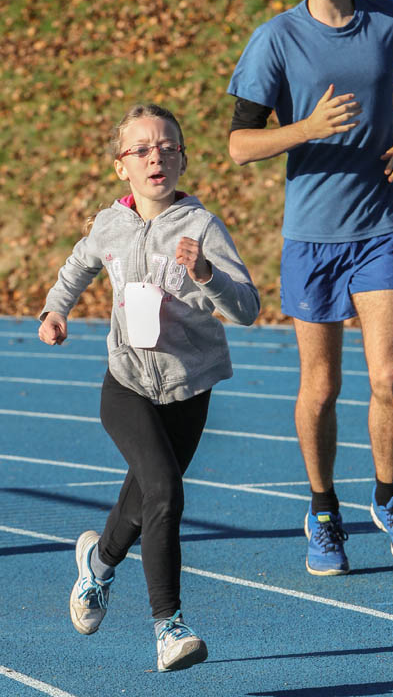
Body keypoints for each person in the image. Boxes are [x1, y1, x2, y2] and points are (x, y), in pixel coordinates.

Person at [227, 0, 393, 576]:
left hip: (383, 226)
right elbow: (239, 145)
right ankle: (323, 511)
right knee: (321, 388)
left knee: (388, 378)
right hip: (313, 237)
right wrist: (306, 129)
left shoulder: (391, 19)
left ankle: (388, 496)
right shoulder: (275, 39)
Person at [38, 103, 260, 671]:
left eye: (167, 147)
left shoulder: (202, 227)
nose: (155, 156)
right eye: (141, 149)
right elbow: (79, 264)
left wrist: (207, 275)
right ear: (122, 166)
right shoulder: (110, 223)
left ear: (182, 159)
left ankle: (97, 565)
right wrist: (56, 309)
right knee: (165, 490)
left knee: (142, 503)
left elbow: (247, 309)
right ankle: (169, 627)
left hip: (188, 389)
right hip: (127, 382)